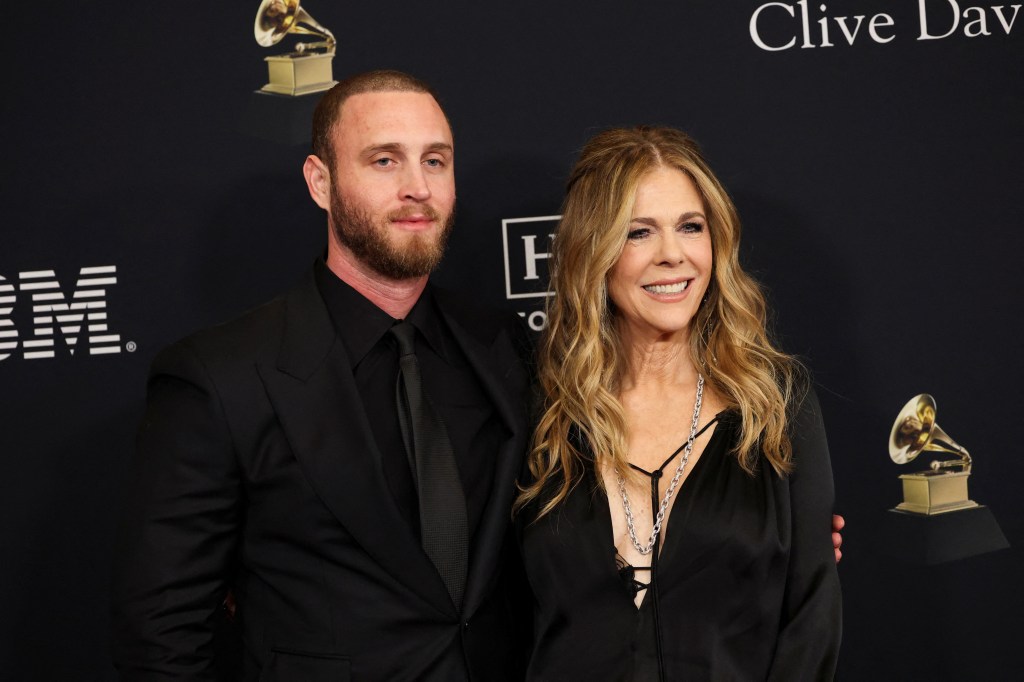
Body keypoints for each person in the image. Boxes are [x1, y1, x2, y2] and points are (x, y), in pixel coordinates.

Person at [111, 70, 532, 681]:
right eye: (385, 160)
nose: (418, 187)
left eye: (435, 161)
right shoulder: (219, 377)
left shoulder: (501, 343)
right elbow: (160, 633)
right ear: (321, 183)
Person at [516, 126, 842, 680]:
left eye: (691, 227)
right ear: (593, 249)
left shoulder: (776, 404)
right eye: (638, 232)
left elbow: (811, 619)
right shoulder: (543, 413)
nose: (673, 255)